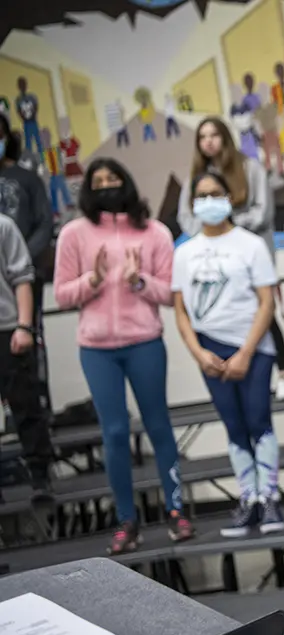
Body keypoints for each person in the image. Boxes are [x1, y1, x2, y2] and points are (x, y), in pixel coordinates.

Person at [54, 158, 196, 554]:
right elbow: (62, 294)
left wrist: (138, 280)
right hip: (97, 349)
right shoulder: (74, 234)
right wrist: (94, 280)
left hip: (144, 342)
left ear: (127, 182)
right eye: (97, 182)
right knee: (114, 433)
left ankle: (176, 511)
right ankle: (126, 520)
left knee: (159, 425)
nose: (106, 186)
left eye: (113, 178)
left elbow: (170, 294)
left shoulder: (154, 232)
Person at [172, 172, 284, 537]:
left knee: (257, 420)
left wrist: (246, 352)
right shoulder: (184, 252)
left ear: (229, 197)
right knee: (234, 426)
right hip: (210, 350)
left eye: (216, 193)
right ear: (193, 204)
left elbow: (267, 302)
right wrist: (198, 353)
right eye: (201, 195)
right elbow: (180, 311)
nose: (209, 201)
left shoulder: (250, 244)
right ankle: (248, 499)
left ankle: (269, 497)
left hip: (253, 348)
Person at [178, 117, 284, 400]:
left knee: (264, 313)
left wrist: (230, 224)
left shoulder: (250, 167)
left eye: (214, 135)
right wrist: (209, 228)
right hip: (212, 257)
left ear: (226, 138)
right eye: (202, 136)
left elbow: (263, 212)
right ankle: (244, 375)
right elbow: (186, 216)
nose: (208, 141)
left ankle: (283, 375)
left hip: (248, 251)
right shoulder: (196, 174)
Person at [0, 213, 53, 500]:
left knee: (25, 404)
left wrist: (23, 325)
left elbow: (22, 278)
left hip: (6, 328)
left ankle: (40, 476)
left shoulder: (3, 225)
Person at [0, 113, 54, 318]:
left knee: (28, 335)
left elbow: (44, 223)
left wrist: (21, 259)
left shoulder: (28, 178)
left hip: (26, 273)